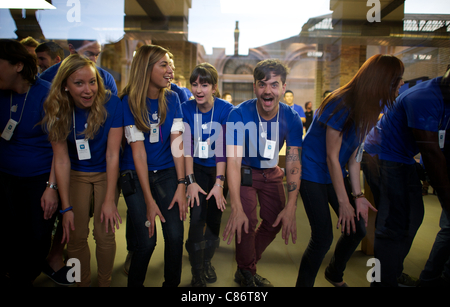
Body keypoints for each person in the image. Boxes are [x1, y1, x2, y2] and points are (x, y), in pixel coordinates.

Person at [297, 54, 404, 287]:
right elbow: (332, 157)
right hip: (313, 172)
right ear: (383, 79)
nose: (402, 85)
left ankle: (334, 273)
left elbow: (355, 157)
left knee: (357, 229)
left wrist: (358, 196)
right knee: (323, 238)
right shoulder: (341, 102)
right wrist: (344, 202)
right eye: (398, 80)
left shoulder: (373, 105)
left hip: (334, 173)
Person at [362, 66, 450, 287]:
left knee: (413, 217)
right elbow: (431, 152)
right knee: (391, 225)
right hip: (381, 156)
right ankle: (380, 281)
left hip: (404, 157)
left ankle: (391, 271)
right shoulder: (423, 97)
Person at [41, 54, 123, 287]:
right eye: (79, 83)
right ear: (65, 86)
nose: (88, 90)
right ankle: (81, 283)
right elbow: (61, 159)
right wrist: (65, 207)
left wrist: (109, 200)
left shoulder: (112, 103)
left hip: (106, 172)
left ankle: (105, 282)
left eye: (92, 82)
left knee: (104, 233)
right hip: (75, 173)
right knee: (74, 236)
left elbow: (113, 154)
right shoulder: (56, 107)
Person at [224, 59, 303, 287]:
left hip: (272, 172)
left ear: (284, 87)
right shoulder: (238, 114)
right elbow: (234, 159)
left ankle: (245, 267)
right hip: (246, 172)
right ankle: (248, 272)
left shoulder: (292, 118)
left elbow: (293, 162)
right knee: (246, 220)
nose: (267, 91)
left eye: (274, 84)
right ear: (254, 86)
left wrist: (292, 205)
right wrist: (235, 206)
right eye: (262, 84)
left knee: (276, 220)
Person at [119, 44, 186, 287]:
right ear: (146, 69)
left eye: (171, 64)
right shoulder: (129, 101)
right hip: (136, 175)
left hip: (168, 172)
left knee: (176, 236)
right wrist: (149, 201)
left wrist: (182, 184)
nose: (171, 70)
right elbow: (138, 153)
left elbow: (177, 143)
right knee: (147, 242)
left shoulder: (173, 98)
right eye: (164, 64)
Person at [0, 39, 57, 287]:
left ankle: (25, 275)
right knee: (9, 233)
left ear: (18, 65)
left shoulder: (46, 95)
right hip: (5, 175)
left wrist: (52, 188)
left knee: (37, 235)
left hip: (39, 177)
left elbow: (61, 151)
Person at [182, 63, 234, 287]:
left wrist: (220, 183)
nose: (199, 90)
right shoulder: (185, 108)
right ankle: (196, 269)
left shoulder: (226, 110)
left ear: (214, 87)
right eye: (194, 84)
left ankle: (206, 262)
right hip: (195, 168)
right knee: (197, 219)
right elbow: (184, 147)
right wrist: (190, 181)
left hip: (218, 171)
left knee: (214, 220)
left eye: (204, 84)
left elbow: (224, 150)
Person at [40, 38, 117, 95]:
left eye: (97, 55)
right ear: (72, 49)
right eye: (89, 54)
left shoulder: (106, 79)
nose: (94, 60)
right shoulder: (47, 78)